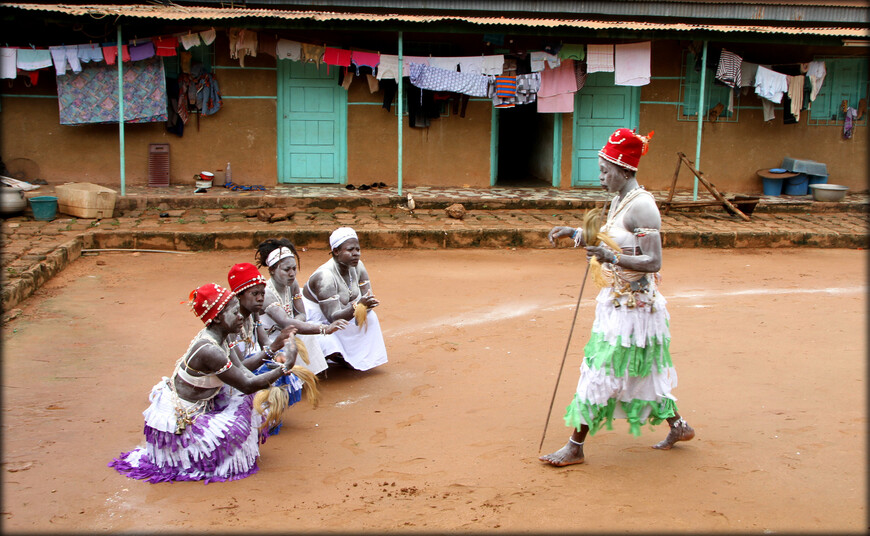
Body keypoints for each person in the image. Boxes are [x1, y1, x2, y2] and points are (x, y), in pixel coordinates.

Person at [540, 128, 695, 467]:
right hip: (619, 302)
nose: (600, 177)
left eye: (604, 170)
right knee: (645, 372)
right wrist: (575, 234)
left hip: (635, 309)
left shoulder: (643, 208)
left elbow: (653, 262)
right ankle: (679, 426)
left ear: (624, 169)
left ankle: (575, 446)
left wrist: (611, 259)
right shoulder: (620, 200)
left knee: (601, 371)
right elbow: (613, 239)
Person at [109, 283, 299, 483]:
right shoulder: (210, 350)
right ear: (217, 318)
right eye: (234, 312)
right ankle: (198, 459)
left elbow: (244, 370)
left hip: (199, 407)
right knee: (243, 411)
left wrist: (275, 348)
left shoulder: (222, 338)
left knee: (248, 401)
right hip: (184, 418)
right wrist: (286, 366)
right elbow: (247, 384)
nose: (240, 316)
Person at [227, 262, 320, 436]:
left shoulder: (253, 313)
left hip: (250, 364)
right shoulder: (230, 322)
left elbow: (264, 343)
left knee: (281, 369)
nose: (261, 298)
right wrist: (273, 349)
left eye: (262, 293)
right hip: (233, 379)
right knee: (271, 374)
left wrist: (277, 355)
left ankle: (266, 417)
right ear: (239, 296)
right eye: (255, 294)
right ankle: (255, 419)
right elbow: (240, 369)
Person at [253, 238, 348, 376]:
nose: (292, 273)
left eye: (294, 268)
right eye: (287, 269)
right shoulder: (267, 292)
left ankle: (308, 376)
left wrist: (296, 325)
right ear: (272, 270)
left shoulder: (292, 283)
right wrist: (324, 329)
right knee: (297, 338)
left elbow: (301, 313)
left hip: (289, 330)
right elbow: (285, 321)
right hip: (270, 339)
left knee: (305, 336)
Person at [302, 227, 388, 371]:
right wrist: (357, 307)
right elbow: (332, 318)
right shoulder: (325, 277)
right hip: (319, 318)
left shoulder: (358, 266)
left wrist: (367, 306)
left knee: (371, 318)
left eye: (357, 249)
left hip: (342, 310)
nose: (356, 254)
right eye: (350, 250)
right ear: (336, 251)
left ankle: (351, 355)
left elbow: (368, 298)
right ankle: (334, 355)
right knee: (328, 338)